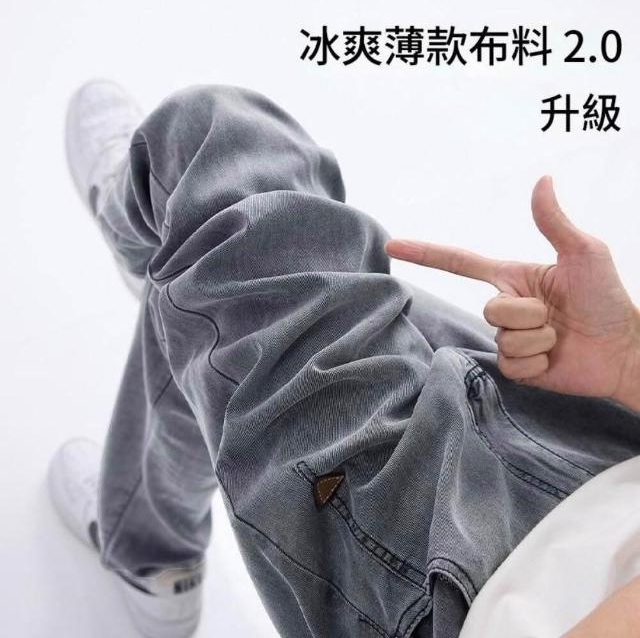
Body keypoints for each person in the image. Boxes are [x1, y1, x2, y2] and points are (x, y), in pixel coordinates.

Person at [48, 80, 640, 638]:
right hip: (609, 455)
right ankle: (156, 563)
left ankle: (154, 563)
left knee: (215, 143)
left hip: (477, 595)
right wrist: (628, 360)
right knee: (219, 296)